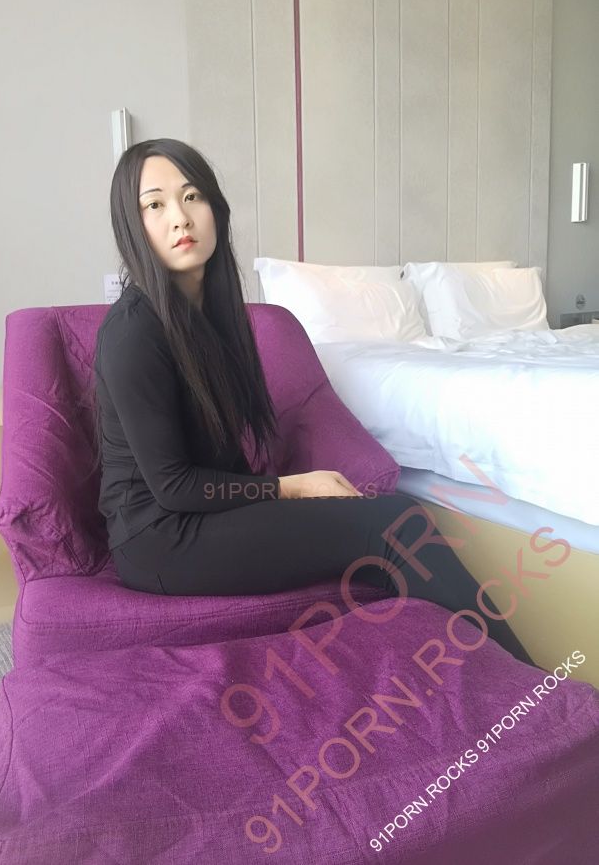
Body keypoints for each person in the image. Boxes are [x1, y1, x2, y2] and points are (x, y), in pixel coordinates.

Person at [92, 137, 536, 669]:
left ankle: (458, 680)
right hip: (159, 539)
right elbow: (173, 486)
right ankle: (539, 691)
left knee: (384, 531)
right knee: (397, 524)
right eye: (155, 205)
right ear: (132, 226)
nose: (179, 218)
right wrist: (293, 488)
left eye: (192, 197)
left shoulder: (213, 316)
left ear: (216, 208)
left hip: (201, 518)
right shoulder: (133, 334)